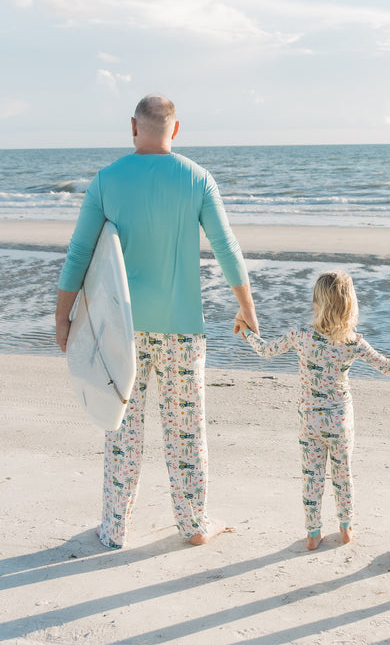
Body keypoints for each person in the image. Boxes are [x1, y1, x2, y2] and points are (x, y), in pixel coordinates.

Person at [55, 94, 259, 549]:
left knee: (122, 426)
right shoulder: (197, 179)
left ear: (133, 126)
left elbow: (80, 253)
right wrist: (246, 306)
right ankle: (193, 525)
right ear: (177, 129)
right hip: (183, 329)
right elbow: (226, 246)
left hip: (119, 330)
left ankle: (114, 529)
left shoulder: (106, 181)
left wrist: (63, 316)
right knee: (187, 429)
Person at [236, 271, 390, 550]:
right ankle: (345, 529)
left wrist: (247, 331)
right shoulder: (353, 342)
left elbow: (266, 350)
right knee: (342, 473)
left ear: (316, 303)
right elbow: (388, 367)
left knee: (312, 476)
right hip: (340, 419)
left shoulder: (301, 334)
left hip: (310, 418)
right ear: (350, 306)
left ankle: (312, 533)